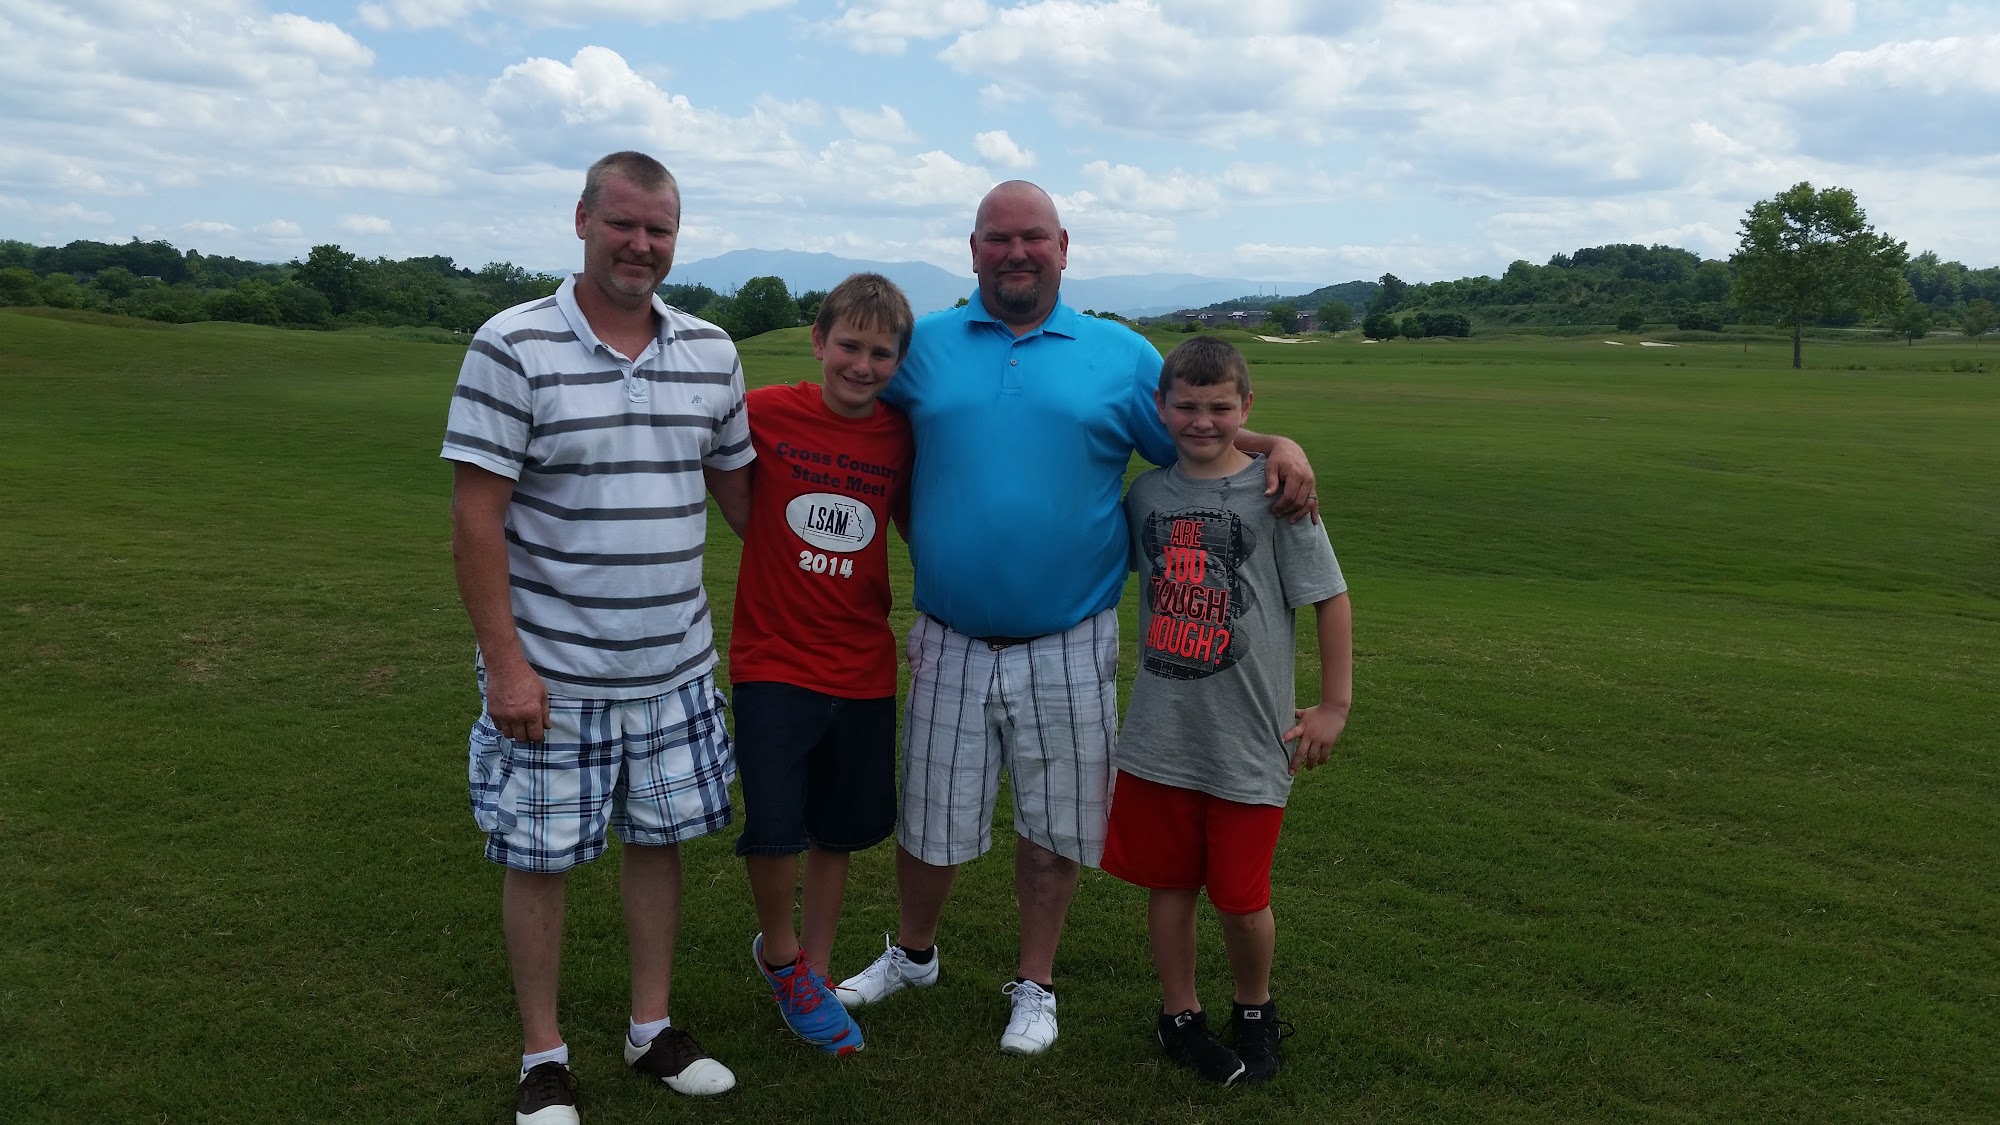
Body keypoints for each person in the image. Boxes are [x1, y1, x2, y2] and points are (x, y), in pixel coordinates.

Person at [835, 180, 1320, 1055]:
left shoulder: (1121, 354)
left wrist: (1274, 444)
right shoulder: (925, 344)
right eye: (997, 238)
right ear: (973, 249)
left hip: (1069, 639)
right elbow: (858, 415)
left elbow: (1197, 431)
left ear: (1063, 247)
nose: (1015, 252)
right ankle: (913, 953)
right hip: (949, 631)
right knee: (931, 819)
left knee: (1054, 825)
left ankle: (1037, 981)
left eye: (1033, 237)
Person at [441, 150, 753, 1125]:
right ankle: (543, 1058)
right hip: (554, 672)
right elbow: (476, 518)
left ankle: (650, 1029)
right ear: (581, 220)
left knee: (658, 845)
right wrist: (506, 666)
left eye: (658, 229)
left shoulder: (712, 351)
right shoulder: (512, 343)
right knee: (538, 858)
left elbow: (746, 502)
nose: (640, 244)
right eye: (622, 223)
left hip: (674, 667)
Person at [1102, 336, 1352, 1085]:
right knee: (1170, 884)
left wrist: (1334, 704)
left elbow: (1330, 597)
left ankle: (1254, 1007)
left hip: (1249, 737)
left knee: (1242, 899)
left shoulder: (1280, 495)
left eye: (1219, 406)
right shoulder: (1146, 496)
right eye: (1187, 405)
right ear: (1161, 407)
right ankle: (1179, 1013)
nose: (1202, 420)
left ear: (1247, 407)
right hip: (1160, 735)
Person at [726, 273, 915, 1056]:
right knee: (774, 826)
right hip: (773, 656)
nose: (862, 365)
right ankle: (781, 955)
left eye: (881, 353)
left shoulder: (901, 434)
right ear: (818, 341)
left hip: (862, 663)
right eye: (849, 346)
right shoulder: (764, 410)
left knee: (837, 830)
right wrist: (758, 530)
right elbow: (698, 451)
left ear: (898, 360)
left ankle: (817, 970)